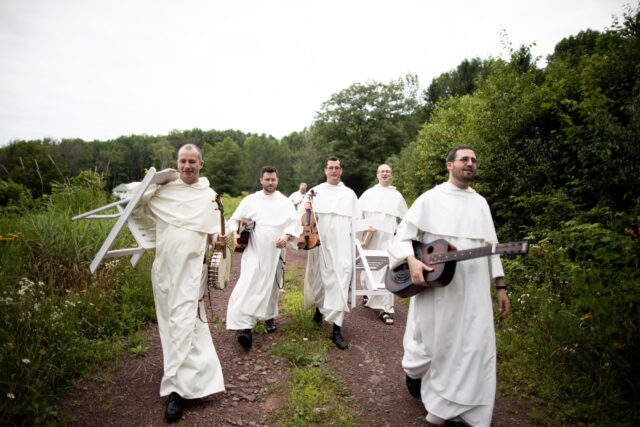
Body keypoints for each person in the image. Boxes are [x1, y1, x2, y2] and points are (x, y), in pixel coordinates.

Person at [389, 145, 509, 426]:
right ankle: (418, 376)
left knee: (475, 346)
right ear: (449, 165)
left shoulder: (480, 203)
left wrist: (500, 286)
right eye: (464, 159)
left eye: (474, 160)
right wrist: (412, 260)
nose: (470, 163)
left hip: (476, 289)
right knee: (436, 344)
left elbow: (492, 248)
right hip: (440, 288)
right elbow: (402, 236)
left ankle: (461, 411)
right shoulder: (430, 199)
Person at [130, 144, 225, 422]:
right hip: (164, 271)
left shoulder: (209, 197)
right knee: (172, 327)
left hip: (192, 273)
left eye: (192, 161)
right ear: (177, 163)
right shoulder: (163, 192)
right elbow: (132, 200)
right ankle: (189, 380)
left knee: (186, 324)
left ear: (201, 164)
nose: (187, 166)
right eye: (182, 161)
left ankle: (177, 391)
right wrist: (159, 178)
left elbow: (219, 232)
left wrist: (220, 239)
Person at [225, 166, 300, 350]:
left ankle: (268, 317)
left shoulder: (284, 201)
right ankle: (245, 327)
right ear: (261, 180)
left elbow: (293, 224)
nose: (270, 183)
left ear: (277, 180)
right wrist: (235, 233)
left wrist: (287, 236)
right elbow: (234, 220)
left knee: (272, 286)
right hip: (254, 250)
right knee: (249, 283)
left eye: (273, 179)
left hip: (275, 251)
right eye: (267, 179)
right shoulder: (251, 200)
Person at [302, 156, 359, 349]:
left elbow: (356, 222)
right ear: (325, 170)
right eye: (330, 168)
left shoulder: (349, 194)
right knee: (318, 279)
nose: (334, 171)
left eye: (337, 168)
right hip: (320, 241)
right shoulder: (314, 191)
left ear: (341, 171)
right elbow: (302, 217)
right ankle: (319, 309)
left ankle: (336, 329)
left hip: (342, 245)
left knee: (341, 279)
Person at [357, 164, 408, 325]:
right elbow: (358, 216)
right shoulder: (368, 194)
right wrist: (365, 226)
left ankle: (385, 309)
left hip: (388, 241)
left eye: (388, 171)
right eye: (382, 171)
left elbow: (405, 221)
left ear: (391, 175)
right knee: (369, 271)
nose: (385, 174)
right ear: (377, 175)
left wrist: (400, 238)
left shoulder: (397, 196)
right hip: (370, 239)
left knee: (386, 271)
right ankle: (368, 295)